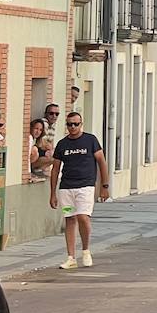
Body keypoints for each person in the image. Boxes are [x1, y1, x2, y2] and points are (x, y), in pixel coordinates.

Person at [48, 112, 110, 270]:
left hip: (86, 186)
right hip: (66, 188)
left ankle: (86, 250)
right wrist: (53, 193)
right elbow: (55, 169)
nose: (73, 127)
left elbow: (101, 162)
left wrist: (104, 186)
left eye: (76, 124)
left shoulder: (90, 140)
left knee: (83, 216)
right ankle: (71, 257)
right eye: (70, 124)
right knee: (69, 219)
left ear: (81, 124)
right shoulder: (62, 144)